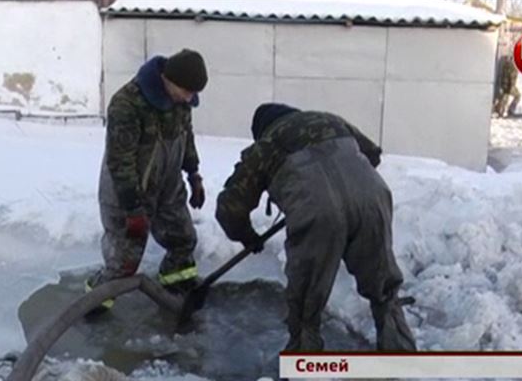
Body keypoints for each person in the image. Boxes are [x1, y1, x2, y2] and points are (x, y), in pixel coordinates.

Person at [215, 104, 417, 352]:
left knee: (306, 299)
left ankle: (305, 369)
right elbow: (373, 154)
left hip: (316, 209)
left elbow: (229, 207)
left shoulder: (265, 146)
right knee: (384, 286)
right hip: (372, 199)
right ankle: (401, 354)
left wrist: (247, 236)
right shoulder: (331, 120)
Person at [86, 49, 208, 313]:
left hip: (168, 187)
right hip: (128, 191)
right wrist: (132, 209)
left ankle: (177, 286)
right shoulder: (127, 103)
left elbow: (185, 136)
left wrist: (194, 173)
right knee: (123, 263)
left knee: (183, 239)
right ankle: (94, 303)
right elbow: (120, 161)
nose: (190, 98)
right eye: (186, 91)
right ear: (168, 79)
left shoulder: (182, 101)